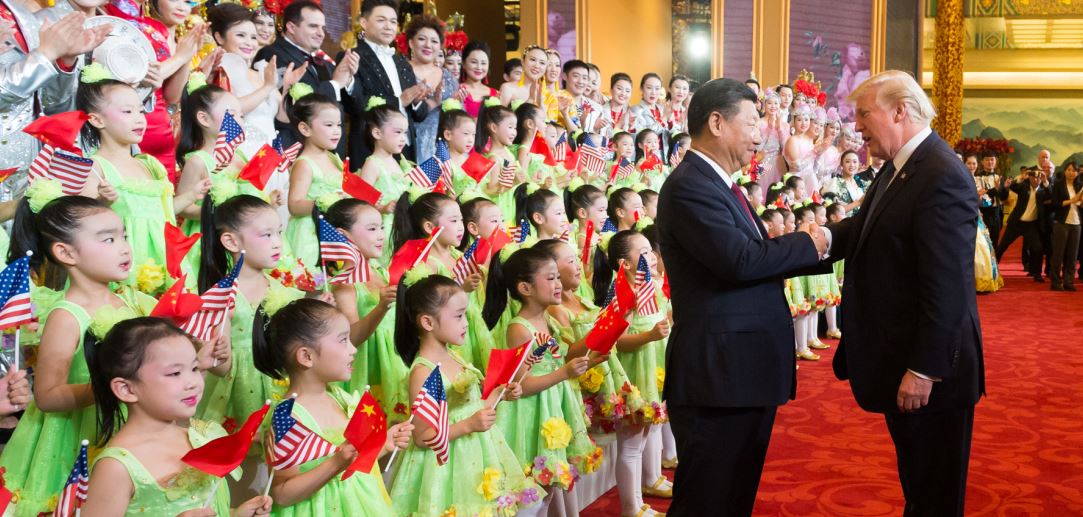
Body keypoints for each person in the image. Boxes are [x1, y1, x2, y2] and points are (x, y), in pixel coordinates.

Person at [656, 78, 828, 516]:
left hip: (740, 372)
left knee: (732, 497)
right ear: (716, 122)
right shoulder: (690, 185)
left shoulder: (720, 183)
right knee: (707, 499)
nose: (760, 136)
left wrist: (828, 242)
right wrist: (812, 242)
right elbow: (742, 260)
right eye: (752, 123)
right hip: (719, 376)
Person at [828, 70, 983, 516]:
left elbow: (948, 286)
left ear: (899, 111)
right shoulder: (902, 167)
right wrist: (816, 239)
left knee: (934, 496)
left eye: (863, 114)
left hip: (934, 377)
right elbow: (863, 228)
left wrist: (924, 370)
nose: (856, 127)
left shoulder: (940, 173)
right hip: (901, 361)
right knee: (918, 487)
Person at [0, 196, 159, 515]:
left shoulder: (133, 302)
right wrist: (107, 389)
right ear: (66, 252)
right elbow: (46, 395)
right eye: (109, 239)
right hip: (77, 437)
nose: (125, 247)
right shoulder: (66, 316)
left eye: (124, 236)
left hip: (132, 428)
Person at [388, 275, 544, 517]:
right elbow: (422, 437)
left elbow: (469, 406)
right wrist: (469, 425)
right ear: (428, 322)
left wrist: (497, 394)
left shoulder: (453, 355)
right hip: (445, 464)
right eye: (459, 316)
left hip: (476, 452)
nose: (466, 324)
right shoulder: (423, 371)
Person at [82, 318, 269, 515]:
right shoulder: (116, 467)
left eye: (195, 368)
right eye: (175, 373)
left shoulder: (196, 437)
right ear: (126, 389)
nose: (193, 383)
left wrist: (236, 513)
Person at [254, 299, 413, 514]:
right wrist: (335, 463)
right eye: (343, 340)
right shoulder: (288, 417)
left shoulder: (340, 397)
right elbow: (282, 493)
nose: (353, 349)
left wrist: (385, 443)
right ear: (306, 356)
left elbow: (354, 464)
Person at [0, 6, 108, 216]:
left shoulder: (27, 17)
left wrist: (64, 62)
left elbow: (52, 105)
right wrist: (45, 54)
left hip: (30, 161)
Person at [254, 0, 359, 153]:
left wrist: (348, 81)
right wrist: (335, 85)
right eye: (313, 26)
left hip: (333, 154)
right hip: (297, 149)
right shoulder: (272, 55)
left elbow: (354, 108)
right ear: (291, 27)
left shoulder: (323, 60)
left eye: (323, 27)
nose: (321, 33)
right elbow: (291, 105)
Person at [347, 0, 432, 164]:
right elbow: (355, 104)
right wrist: (399, 101)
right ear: (363, 22)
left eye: (393, 21)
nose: (388, 26)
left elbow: (419, 115)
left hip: (405, 148)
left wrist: (417, 101)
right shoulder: (353, 57)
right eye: (381, 20)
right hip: (370, 147)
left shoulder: (402, 62)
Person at [405, 14, 457, 163]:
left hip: (441, 147)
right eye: (422, 39)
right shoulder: (401, 70)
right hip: (407, 143)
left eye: (434, 41)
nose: (428, 45)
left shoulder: (448, 77)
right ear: (410, 42)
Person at [995, 166, 1048, 282]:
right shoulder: (1024, 187)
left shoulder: (1043, 191)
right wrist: (1022, 178)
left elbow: (1051, 194)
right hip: (1016, 223)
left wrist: (1045, 181)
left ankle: (1037, 274)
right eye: (1034, 177)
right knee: (1002, 247)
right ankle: (992, 270)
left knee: (1038, 248)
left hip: (1031, 225)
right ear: (1030, 177)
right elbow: (1014, 187)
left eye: (1039, 177)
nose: (1036, 179)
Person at [1048, 161, 1082, 291]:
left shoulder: (1079, 186)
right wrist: (1071, 201)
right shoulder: (1058, 185)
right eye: (1068, 169)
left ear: (1077, 173)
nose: (1071, 172)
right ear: (1064, 171)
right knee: (1058, 254)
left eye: (1074, 170)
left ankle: (1069, 281)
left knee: (1072, 255)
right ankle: (1056, 282)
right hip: (1062, 223)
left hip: (1077, 223)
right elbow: (1054, 204)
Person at [975, 149, 1008, 249]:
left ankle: (994, 263)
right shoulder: (978, 177)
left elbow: (1003, 197)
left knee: (995, 239)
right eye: (987, 160)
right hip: (985, 212)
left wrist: (1005, 188)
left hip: (998, 211)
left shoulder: (1000, 177)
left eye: (992, 160)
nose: (990, 162)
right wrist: (995, 189)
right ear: (982, 162)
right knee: (985, 240)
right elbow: (983, 193)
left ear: (995, 161)